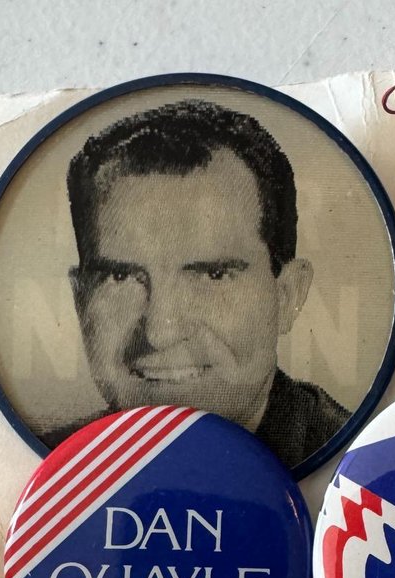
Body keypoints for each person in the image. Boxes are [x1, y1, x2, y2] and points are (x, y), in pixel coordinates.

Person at [42, 98, 349, 468]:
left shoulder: (358, 458)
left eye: (212, 275)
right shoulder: (56, 465)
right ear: (80, 300)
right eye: (120, 277)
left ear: (287, 296)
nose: (160, 333)